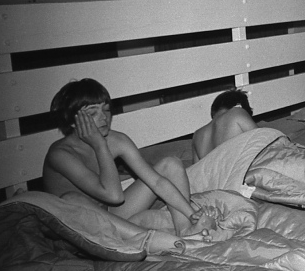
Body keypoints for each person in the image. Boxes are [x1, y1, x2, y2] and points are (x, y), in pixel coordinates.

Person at [42, 78, 216, 247]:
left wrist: (192, 213)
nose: (103, 118)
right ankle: (154, 240)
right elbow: (114, 196)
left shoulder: (117, 140)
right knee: (72, 199)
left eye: (107, 110)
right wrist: (100, 145)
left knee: (171, 164)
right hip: (74, 230)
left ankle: (185, 230)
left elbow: (156, 182)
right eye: (93, 113)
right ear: (73, 121)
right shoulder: (61, 154)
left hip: (109, 217)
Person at [192, 89, 258, 162]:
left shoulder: (197, 135)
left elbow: (196, 167)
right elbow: (263, 140)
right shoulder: (236, 112)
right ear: (239, 106)